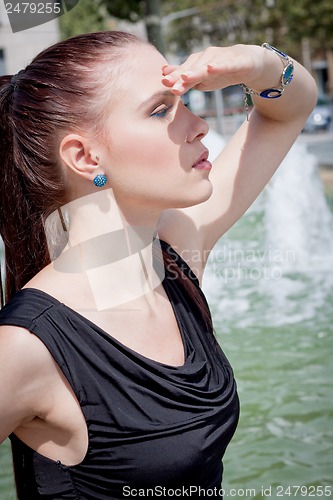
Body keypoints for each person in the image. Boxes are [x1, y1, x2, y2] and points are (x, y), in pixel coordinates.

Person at [0, 31, 317, 499]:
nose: (200, 125)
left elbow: (290, 106)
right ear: (86, 157)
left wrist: (253, 63)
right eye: (160, 110)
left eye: (182, 101)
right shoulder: (27, 348)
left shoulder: (176, 252)